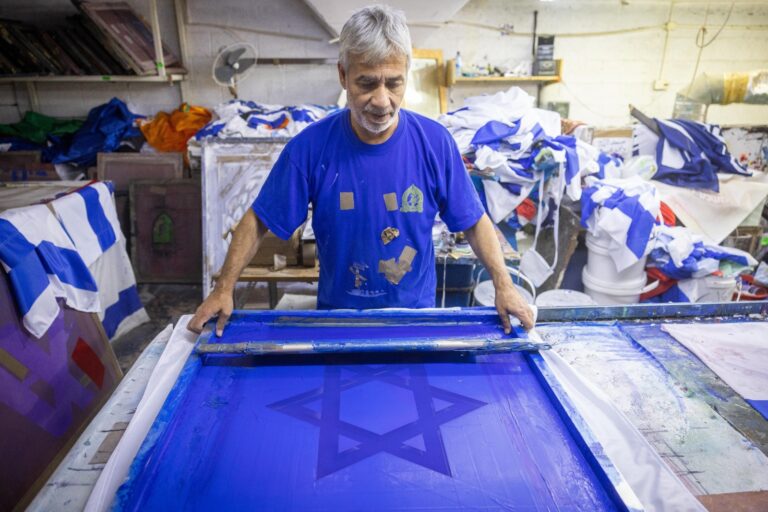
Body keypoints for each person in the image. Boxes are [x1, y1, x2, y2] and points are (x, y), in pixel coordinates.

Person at [188, 4, 533, 336]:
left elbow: (473, 221)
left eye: (394, 83)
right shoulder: (310, 148)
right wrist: (223, 289)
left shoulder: (435, 143)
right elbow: (258, 220)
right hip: (337, 325)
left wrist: (504, 285)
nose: (382, 100)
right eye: (367, 83)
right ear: (343, 74)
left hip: (414, 322)